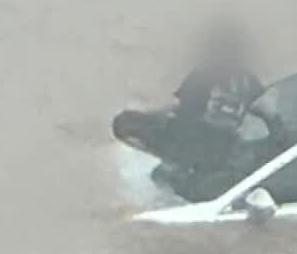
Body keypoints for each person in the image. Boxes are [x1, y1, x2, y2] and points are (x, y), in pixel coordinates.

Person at [112, 21, 266, 185]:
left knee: (124, 122)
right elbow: (262, 111)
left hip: (192, 146)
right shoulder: (250, 81)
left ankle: (167, 172)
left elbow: (181, 111)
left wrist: (146, 114)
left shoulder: (205, 74)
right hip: (229, 147)